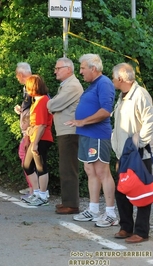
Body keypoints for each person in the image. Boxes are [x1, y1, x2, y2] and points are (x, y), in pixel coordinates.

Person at [66, 54, 117, 227]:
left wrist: (82, 121)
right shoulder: (93, 85)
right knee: (90, 170)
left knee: (102, 171)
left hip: (98, 135)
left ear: (93, 68)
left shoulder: (104, 83)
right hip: (87, 134)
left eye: (82, 68)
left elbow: (105, 111)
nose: (80, 72)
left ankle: (110, 213)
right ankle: (94, 209)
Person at [111, 63, 153, 243]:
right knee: (122, 190)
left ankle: (141, 231)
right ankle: (126, 227)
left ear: (120, 79)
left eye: (113, 77)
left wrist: (139, 144)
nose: (112, 80)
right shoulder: (122, 96)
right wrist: (119, 151)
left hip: (139, 153)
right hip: (125, 153)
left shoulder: (140, 95)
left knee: (142, 190)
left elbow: (149, 122)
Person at [47, 58, 83, 214]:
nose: (55, 71)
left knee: (68, 168)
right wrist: (52, 104)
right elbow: (54, 104)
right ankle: (67, 201)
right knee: (65, 167)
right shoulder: (66, 86)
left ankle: (72, 204)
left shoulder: (73, 86)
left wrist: (51, 105)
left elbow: (53, 104)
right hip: (65, 131)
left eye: (58, 68)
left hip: (69, 132)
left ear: (68, 69)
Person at [22, 75, 53, 206]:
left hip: (42, 138)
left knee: (41, 167)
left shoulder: (43, 101)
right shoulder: (38, 101)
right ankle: (36, 192)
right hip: (36, 138)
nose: (26, 89)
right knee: (27, 165)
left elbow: (41, 125)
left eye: (27, 87)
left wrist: (34, 143)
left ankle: (43, 195)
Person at [13, 62, 34, 201]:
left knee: (26, 157)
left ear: (20, 75)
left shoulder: (32, 85)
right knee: (26, 157)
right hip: (28, 128)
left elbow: (39, 105)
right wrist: (21, 109)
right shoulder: (27, 88)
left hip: (31, 130)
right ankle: (33, 186)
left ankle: (34, 188)